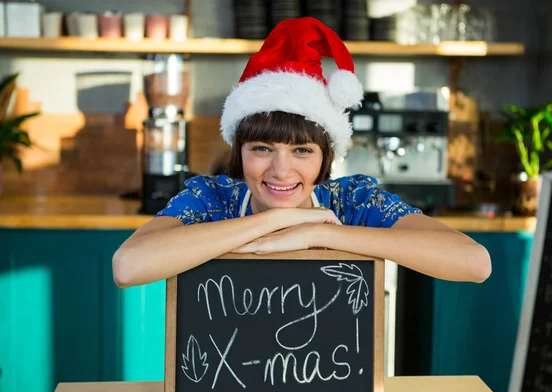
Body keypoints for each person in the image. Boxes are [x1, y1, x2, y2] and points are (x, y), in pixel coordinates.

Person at [112, 17, 491, 289]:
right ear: (239, 151)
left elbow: (474, 262)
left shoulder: (352, 201)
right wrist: (274, 222)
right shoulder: (211, 199)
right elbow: (128, 266)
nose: (281, 170)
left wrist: (315, 234)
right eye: (262, 148)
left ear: (325, 156)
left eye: (302, 150)